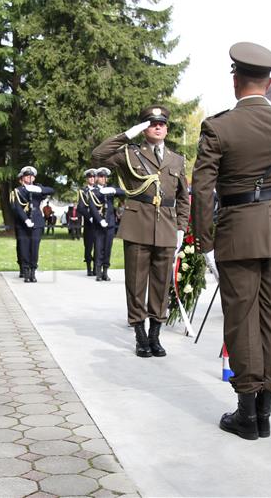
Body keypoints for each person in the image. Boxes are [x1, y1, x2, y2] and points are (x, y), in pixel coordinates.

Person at [191, 42, 271, 440]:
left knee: (242, 317)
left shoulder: (219, 126)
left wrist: (203, 239)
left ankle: (246, 414)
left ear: (235, 80)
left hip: (238, 232)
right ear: (269, 83)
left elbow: (201, 189)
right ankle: (266, 411)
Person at [92, 105, 190, 358]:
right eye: (151, 123)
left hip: (167, 226)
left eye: (161, 123)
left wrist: (181, 227)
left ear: (166, 128)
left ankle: (155, 335)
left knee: (161, 284)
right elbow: (98, 156)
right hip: (138, 224)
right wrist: (127, 134)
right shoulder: (130, 153)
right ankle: (140, 334)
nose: (157, 127)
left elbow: (183, 198)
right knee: (136, 283)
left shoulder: (177, 159)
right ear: (144, 128)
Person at [10, 166, 54, 283]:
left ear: (34, 178)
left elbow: (50, 190)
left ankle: (33, 270)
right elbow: (16, 208)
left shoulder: (38, 189)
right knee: (24, 247)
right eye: (27, 176)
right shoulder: (18, 191)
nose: (29, 178)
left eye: (31, 176)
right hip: (23, 223)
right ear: (23, 178)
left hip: (37, 221)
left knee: (35, 247)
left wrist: (39, 189)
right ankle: (25, 271)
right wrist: (25, 219)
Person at [90, 167, 125, 281]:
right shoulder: (93, 191)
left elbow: (123, 192)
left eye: (105, 177)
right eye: (101, 176)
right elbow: (93, 208)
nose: (103, 179)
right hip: (99, 224)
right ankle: (98, 272)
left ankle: (105, 271)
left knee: (108, 248)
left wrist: (114, 191)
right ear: (97, 178)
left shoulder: (110, 190)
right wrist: (100, 220)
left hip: (110, 224)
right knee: (99, 248)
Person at [77, 168, 98, 276]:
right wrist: (89, 217)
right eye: (90, 177)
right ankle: (89, 267)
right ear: (87, 179)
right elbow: (81, 207)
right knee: (88, 246)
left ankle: (96, 268)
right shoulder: (82, 191)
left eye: (94, 177)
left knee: (98, 246)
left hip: (98, 223)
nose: (92, 179)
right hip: (89, 223)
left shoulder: (99, 190)